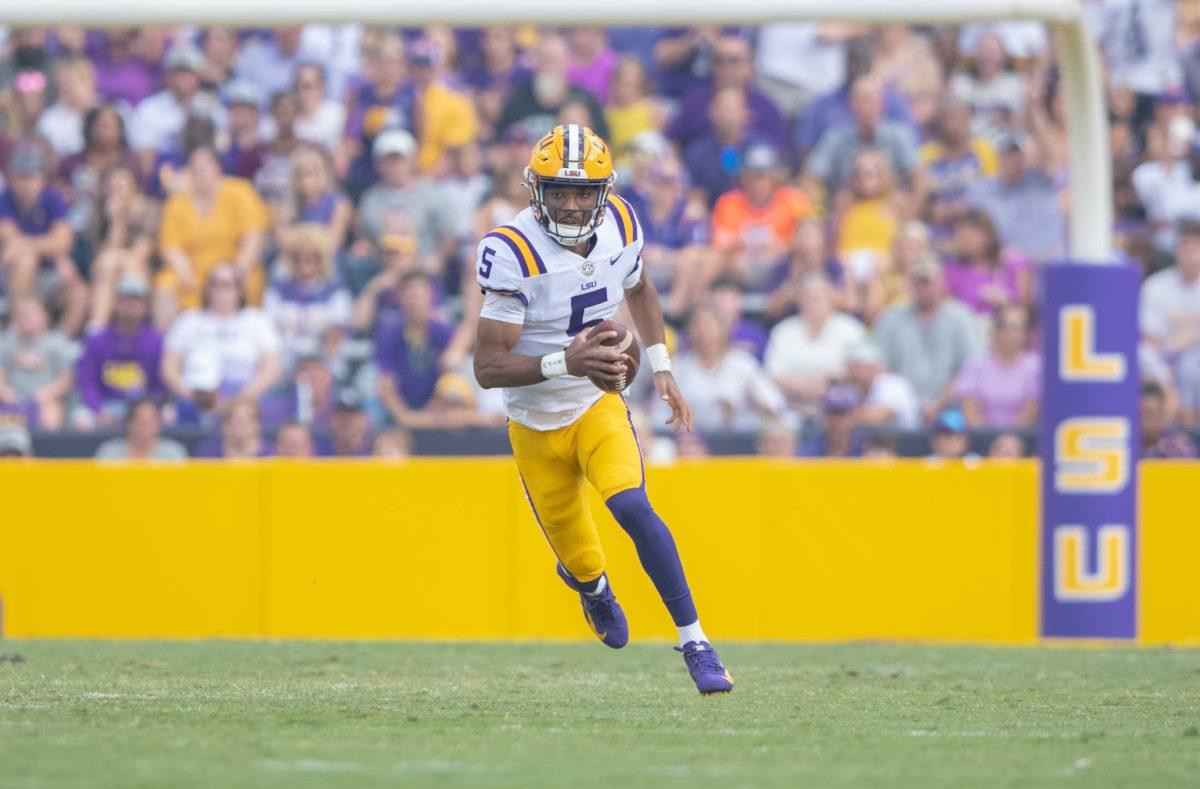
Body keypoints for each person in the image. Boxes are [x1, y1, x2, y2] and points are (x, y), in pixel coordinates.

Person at [471, 124, 733, 694]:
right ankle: (592, 588)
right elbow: (487, 368)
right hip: (535, 423)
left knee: (634, 507)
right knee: (583, 558)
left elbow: (638, 288)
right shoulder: (510, 251)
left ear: (604, 191)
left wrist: (661, 365)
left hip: (595, 405)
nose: (570, 204)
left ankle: (696, 641)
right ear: (535, 189)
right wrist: (564, 362)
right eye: (558, 191)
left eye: (583, 192)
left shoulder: (621, 222)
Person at [161, 265, 283, 422]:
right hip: (194, 398)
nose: (221, 291)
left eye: (227, 285)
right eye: (215, 284)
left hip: (245, 401)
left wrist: (241, 399)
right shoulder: (188, 320)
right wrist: (194, 396)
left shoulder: (256, 320)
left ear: (240, 290)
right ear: (207, 289)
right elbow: (170, 367)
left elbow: (272, 367)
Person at [156, 146, 270, 315]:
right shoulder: (177, 203)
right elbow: (171, 247)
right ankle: (171, 340)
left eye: (204, 167)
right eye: (195, 168)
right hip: (194, 274)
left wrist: (236, 273)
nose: (200, 173)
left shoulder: (240, 191)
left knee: (244, 282)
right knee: (165, 285)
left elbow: (254, 236)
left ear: (218, 168)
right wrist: (186, 274)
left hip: (235, 267)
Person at [874, 257, 983, 418]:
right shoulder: (891, 318)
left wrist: (938, 404)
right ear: (910, 285)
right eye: (919, 283)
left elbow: (970, 369)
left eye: (929, 282)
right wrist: (906, 402)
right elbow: (880, 366)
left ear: (941, 284)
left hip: (950, 406)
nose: (925, 289)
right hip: (900, 408)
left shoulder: (960, 317)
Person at [0, 144, 87, 336]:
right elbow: (8, 237)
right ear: (11, 179)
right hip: (9, 273)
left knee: (78, 293)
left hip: (47, 272)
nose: (26, 184)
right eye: (20, 177)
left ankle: (58, 341)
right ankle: (17, 330)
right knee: (25, 259)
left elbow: (63, 241)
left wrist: (57, 255)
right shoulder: (4, 200)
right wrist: (54, 252)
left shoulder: (53, 199)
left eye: (31, 177)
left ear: (41, 179)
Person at [666, 302, 785, 432]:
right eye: (698, 326)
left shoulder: (743, 364)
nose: (704, 332)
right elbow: (659, 417)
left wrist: (750, 405)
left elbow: (775, 406)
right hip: (689, 443)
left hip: (738, 442)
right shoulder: (678, 367)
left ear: (723, 329)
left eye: (710, 326)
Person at [709, 143, 813, 290]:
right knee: (714, 259)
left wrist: (781, 245)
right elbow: (720, 241)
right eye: (752, 176)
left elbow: (811, 235)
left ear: (774, 177)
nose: (757, 183)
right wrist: (744, 243)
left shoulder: (793, 200)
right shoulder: (729, 203)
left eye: (763, 176)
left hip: (782, 267)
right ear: (743, 178)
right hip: (740, 266)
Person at [764, 274, 867, 412]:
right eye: (809, 298)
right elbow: (773, 373)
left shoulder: (851, 328)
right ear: (800, 301)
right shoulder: (783, 331)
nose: (815, 303)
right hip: (790, 402)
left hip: (841, 405)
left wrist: (828, 381)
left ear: (831, 299)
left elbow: (863, 366)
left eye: (820, 297)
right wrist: (803, 386)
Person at [74, 275, 164, 429]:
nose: (131, 305)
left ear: (146, 305)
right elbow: (87, 381)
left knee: (167, 415)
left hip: (143, 407)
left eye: (137, 301)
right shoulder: (96, 339)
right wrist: (98, 409)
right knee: (82, 419)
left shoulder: (156, 341)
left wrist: (147, 409)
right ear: (116, 303)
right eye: (126, 300)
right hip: (106, 405)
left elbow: (159, 385)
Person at [262, 224, 351, 369]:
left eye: (312, 257)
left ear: (322, 260)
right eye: (298, 257)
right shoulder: (277, 289)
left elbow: (338, 331)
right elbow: (268, 328)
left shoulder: (335, 292)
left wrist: (318, 364)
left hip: (323, 364)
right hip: (284, 363)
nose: (304, 263)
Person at [375, 272, 455, 428]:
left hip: (436, 409)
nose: (415, 302)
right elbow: (385, 381)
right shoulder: (389, 334)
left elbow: (449, 375)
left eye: (420, 295)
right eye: (410, 295)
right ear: (401, 299)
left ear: (431, 297)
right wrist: (404, 416)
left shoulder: (444, 333)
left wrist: (431, 411)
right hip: (399, 410)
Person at [85, 165, 159, 329]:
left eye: (121, 187)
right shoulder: (100, 213)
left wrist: (115, 258)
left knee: (110, 263)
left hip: (142, 270)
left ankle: (96, 328)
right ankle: (98, 329)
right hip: (109, 274)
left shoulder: (149, 210)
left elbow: (141, 254)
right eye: (112, 188)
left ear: (133, 189)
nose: (116, 193)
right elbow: (100, 260)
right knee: (108, 266)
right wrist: (117, 221)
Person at [951, 304, 1040, 429]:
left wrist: (1008, 440)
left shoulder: (1036, 367)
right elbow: (970, 410)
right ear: (995, 330)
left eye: (1016, 328)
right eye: (1004, 326)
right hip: (982, 440)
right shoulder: (976, 365)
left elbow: (1032, 410)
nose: (1010, 333)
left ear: (1025, 333)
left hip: (1023, 439)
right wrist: (989, 439)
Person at [0, 295, 75, 430]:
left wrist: (47, 393)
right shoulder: (6, 343)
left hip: (45, 398)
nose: (27, 318)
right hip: (12, 399)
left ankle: (48, 448)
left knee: (51, 413)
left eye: (32, 313)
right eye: (22, 314)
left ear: (44, 316)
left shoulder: (57, 342)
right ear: (14, 319)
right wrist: (5, 392)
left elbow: (66, 379)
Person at [1140, 219, 1200, 358]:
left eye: (1195, 246)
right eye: (1185, 245)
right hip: (1165, 358)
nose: (1190, 252)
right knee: (1144, 355)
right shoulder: (1154, 286)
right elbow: (1150, 339)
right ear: (1176, 250)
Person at [94, 398, 188, 461]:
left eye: (150, 421)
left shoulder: (173, 453)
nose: (146, 427)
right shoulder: (109, 453)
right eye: (141, 421)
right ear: (128, 423)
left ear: (159, 425)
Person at [1141, 380, 1198, 459]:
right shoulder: (1125, 448)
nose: (1144, 422)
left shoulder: (1179, 450)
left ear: (1162, 414)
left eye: (1150, 414)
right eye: (1140, 414)